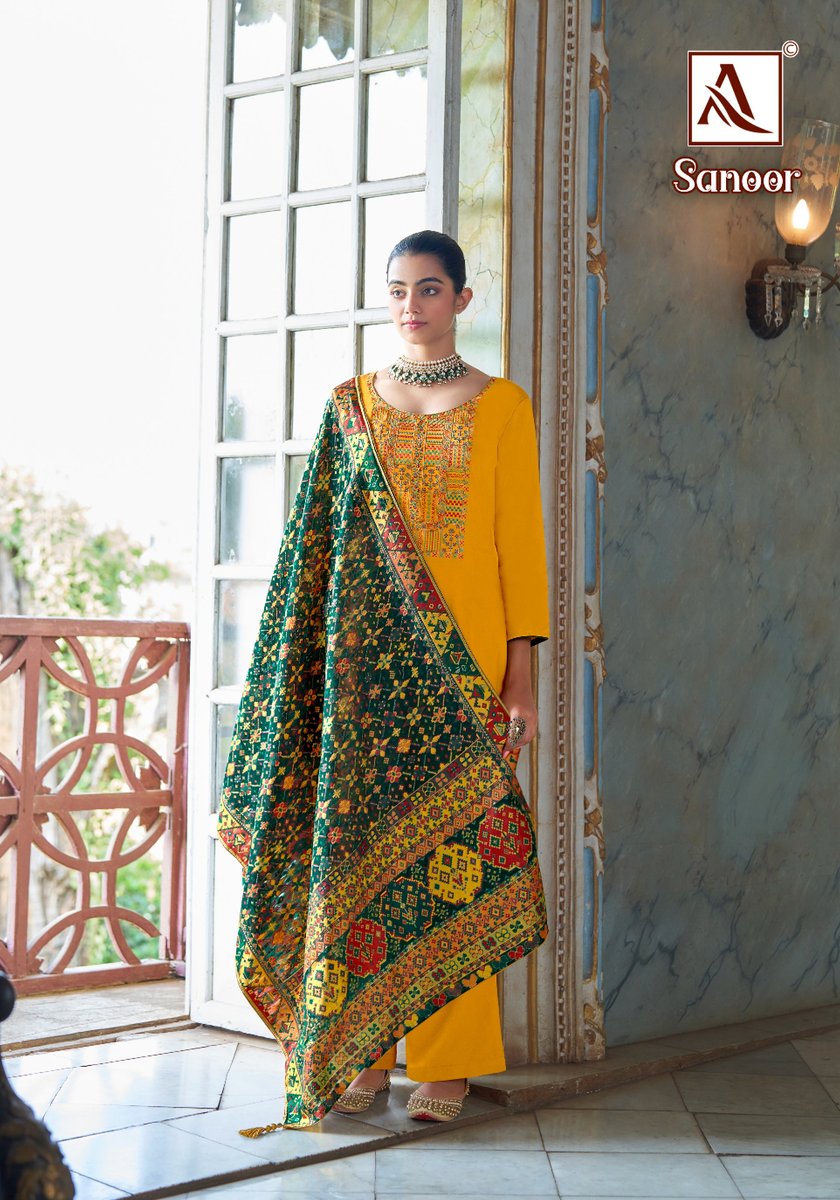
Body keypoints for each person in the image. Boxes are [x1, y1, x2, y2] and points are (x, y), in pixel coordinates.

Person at [218, 229, 551, 1132]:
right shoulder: (349, 407)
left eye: (430, 289)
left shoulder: (504, 406)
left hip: (464, 662)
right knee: (358, 850)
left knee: (453, 857)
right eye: (399, 289)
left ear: (462, 300)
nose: (412, 305)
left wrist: (520, 676)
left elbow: (518, 547)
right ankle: (359, 1050)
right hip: (362, 670)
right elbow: (315, 549)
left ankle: (449, 1059)